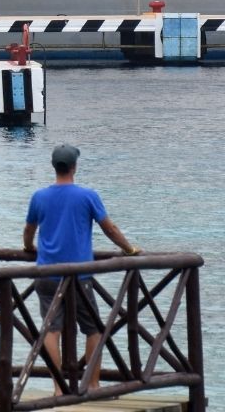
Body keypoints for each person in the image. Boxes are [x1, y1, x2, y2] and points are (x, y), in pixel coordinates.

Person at [23, 145, 140, 391]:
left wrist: (28, 247)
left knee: (51, 330)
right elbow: (110, 229)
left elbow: (29, 231)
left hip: (45, 273)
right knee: (94, 329)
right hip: (79, 276)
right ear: (74, 167)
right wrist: (129, 250)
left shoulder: (39, 197)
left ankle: (58, 387)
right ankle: (92, 384)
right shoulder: (88, 196)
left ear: (54, 166)